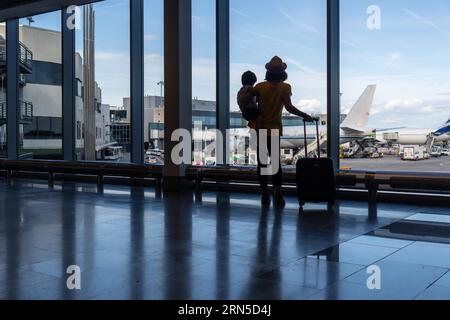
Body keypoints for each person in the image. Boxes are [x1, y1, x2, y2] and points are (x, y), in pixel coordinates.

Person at [250, 56, 313, 207]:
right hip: (274, 129)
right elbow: (289, 107)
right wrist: (305, 115)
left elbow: (252, 107)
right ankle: (278, 194)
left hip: (260, 129)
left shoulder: (259, 87)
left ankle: (264, 194)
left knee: (262, 164)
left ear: (268, 71)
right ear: (283, 72)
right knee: (275, 164)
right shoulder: (285, 87)